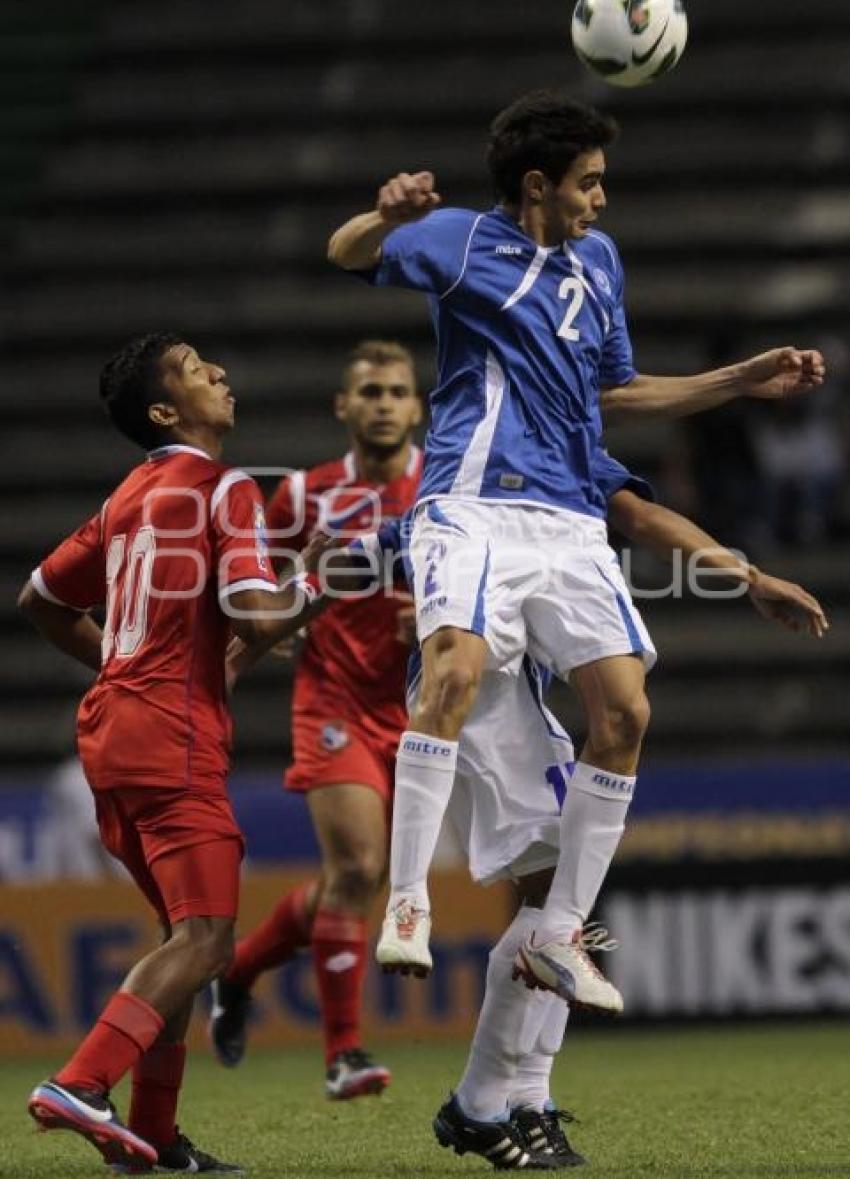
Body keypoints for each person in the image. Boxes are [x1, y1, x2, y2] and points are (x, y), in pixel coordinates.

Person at [326, 88, 825, 1012]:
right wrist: (382, 216)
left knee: (627, 711)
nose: (601, 199)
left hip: (565, 517)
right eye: (588, 183)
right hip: (470, 501)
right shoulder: (462, 239)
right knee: (454, 675)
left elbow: (620, 391)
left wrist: (742, 381)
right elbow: (347, 255)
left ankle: (559, 932)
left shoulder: (599, 261)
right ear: (535, 185)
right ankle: (406, 902)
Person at [417, 450, 827, 1172]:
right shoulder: (466, 463)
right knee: (556, 909)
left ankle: (503, 1100)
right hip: (474, 698)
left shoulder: (558, 440)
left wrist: (752, 575)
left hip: (518, 690)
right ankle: (498, 1101)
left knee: (557, 897)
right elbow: (364, 559)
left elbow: (637, 511)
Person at [19, 334, 323, 1172]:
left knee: (179, 934)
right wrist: (325, 583)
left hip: (112, 733)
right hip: (171, 740)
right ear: (165, 410)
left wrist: (124, 660)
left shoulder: (127, 498)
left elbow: (41, 599)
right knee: (209, 941)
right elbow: (262, 616)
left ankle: (151, 1137)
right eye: (195, 369)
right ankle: (81, 1083)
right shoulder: (224, 491)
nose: (220, 372)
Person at [210, 340, 422, 1100]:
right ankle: (344, 1053)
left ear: (417, 407)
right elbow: (252, 581)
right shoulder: (304, 495)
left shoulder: (446, 490)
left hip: (427, 709)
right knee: (361, 868)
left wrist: (432, 624)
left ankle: (237, 968)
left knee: (348, 880)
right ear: (344, 406)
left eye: (397, 390)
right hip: (333, 698)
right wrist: (277, 626)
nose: (383, 403)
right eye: (369, 391)